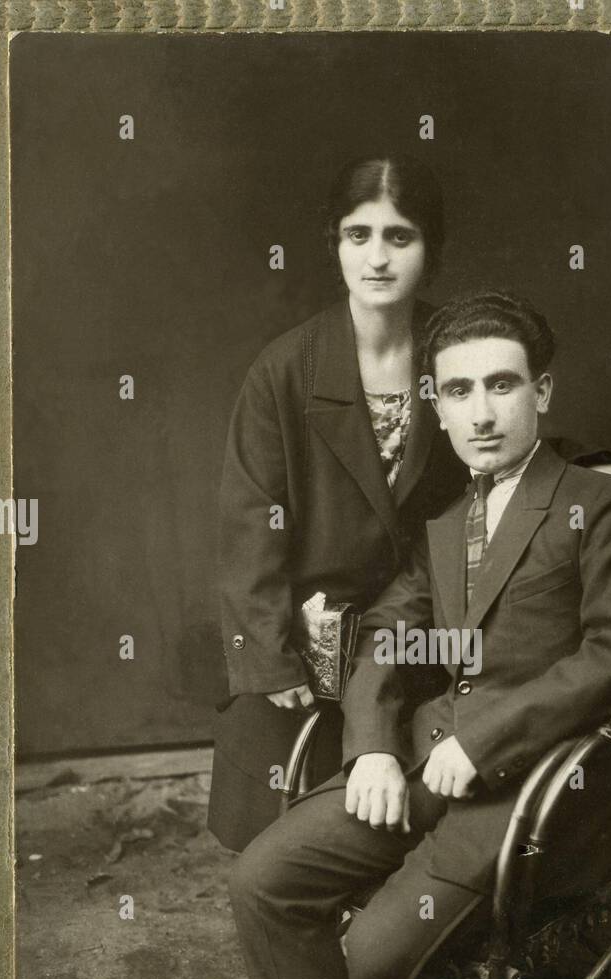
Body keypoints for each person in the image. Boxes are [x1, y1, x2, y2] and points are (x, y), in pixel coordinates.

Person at [229, 290, 611, 979]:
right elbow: (393, 633)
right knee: (265, 879)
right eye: (457, 390)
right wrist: (378, 747)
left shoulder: (602, 504)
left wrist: (485, 739)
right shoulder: (443, 518)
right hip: (424, 769)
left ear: (541, 392)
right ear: (433, 402)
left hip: (539, 796)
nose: (480, 411)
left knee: (378, 950)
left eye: (502, 385)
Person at [207, 154, 465, 853]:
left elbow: (514, 445)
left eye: (399, 237)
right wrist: (269, 655)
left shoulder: (458, 352)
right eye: (359, 235)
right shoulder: (286, 370)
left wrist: (599, 471)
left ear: (430, 249)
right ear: (336, 244)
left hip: (424, 629)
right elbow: (248, 522)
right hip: (306, 631)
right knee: (278, 835)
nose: (377, 258)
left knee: (418, 824)